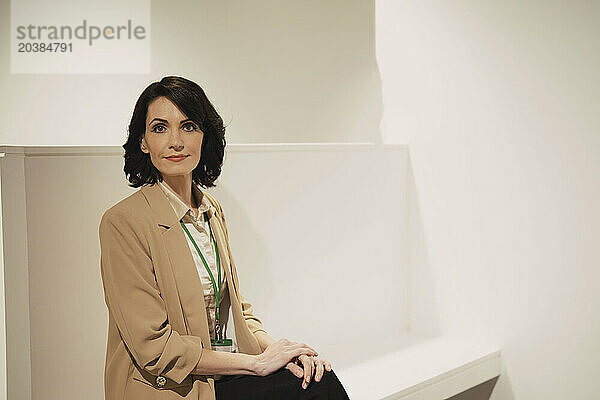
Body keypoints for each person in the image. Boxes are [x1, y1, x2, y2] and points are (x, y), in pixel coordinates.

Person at [98, 76, 351, 400]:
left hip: (214, 374)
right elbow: (154, 347)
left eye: (188, 126)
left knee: (316, 376)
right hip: (169, 388)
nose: (176, 141)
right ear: (143, 141)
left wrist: (283, 352)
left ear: (204, 136)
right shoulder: (122, 223)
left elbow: (238, 309)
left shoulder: (210, 210)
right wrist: (256, 364)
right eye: (160, 128)